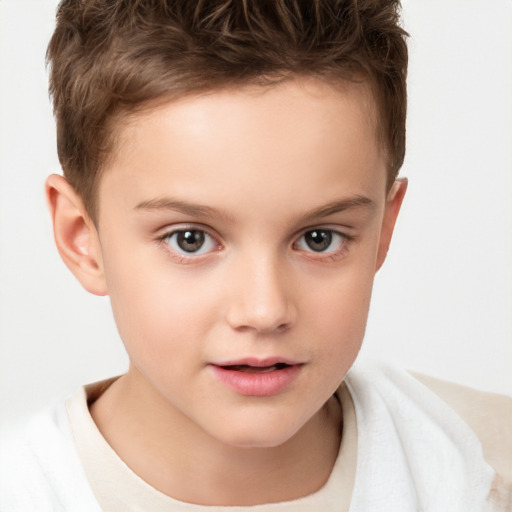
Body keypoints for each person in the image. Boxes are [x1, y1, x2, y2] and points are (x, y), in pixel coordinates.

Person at [1, 0, 510, 510]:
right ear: (81, 237)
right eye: (190, 240)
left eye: (319, 238)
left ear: (383, 228)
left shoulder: (484, 469)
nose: (264, 311)